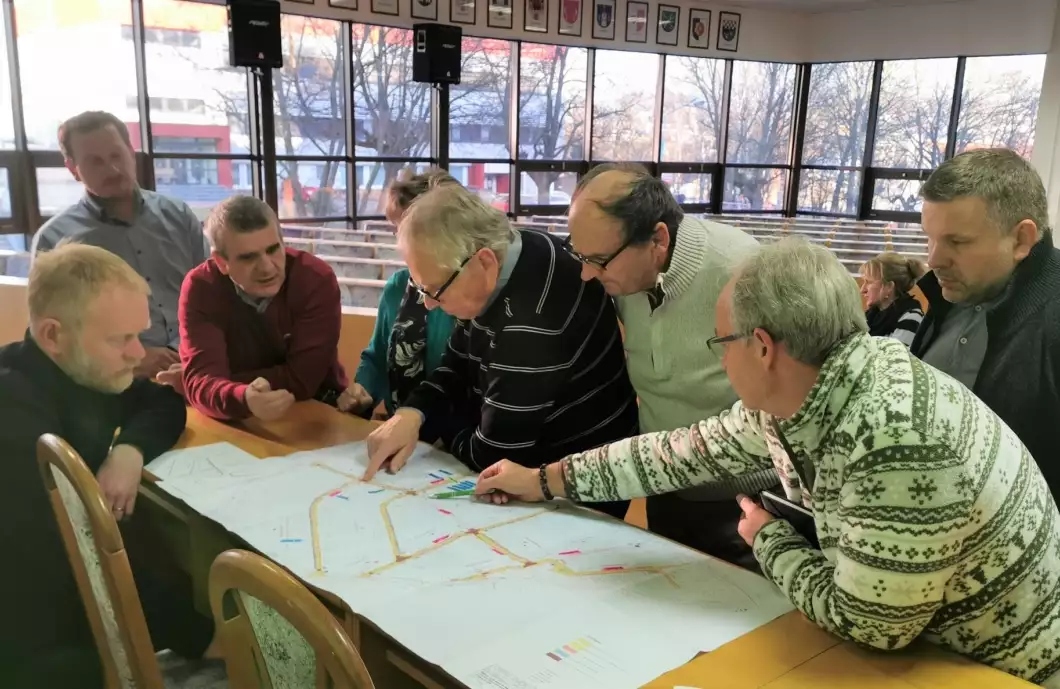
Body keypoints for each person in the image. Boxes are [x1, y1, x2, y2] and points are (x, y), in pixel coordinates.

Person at [476, 237, 1060, 688]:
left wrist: (769, 540)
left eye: (721, 342)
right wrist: (546, 479)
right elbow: (677, 453)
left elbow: (871, 626)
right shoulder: (821, 385)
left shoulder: (893, 439)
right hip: (937, 642)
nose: (721, 358)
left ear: (761, 346)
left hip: (999, 670)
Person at [0, 244, 215, 688]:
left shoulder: (78, 370)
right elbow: (83, 560)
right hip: (38, 650)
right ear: (53, 334)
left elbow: (159, 401)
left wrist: (129, 451)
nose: (139, 354)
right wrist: (202, 636)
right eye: (121, 340)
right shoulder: (13, 421)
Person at [363, 183, 638, 519]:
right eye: (422, 290)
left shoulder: (533, 323)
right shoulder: (506, 253)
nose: (430, 305)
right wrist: (413, 414)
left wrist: (435, 425)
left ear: (485, 262)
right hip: (536, 465)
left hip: (576, 488)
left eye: (435, 291)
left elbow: (490, 455)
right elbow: (457, 362)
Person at [565, 163, 774, 569]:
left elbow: (786, 399)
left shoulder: (742, 270)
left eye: (600, 261)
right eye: (581, 256)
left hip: (747, 506)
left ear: (658, 239)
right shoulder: (624, 272)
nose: (587, 274)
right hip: (665, 488)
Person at [911, 148, 1060, 499]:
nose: (933, 259)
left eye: (957, 242)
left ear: (1021, 239)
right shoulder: (952, 294)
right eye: (929, 238)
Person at [30, 111, 209, 380]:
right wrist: (134, 356)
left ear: (131, 151)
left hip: (199, 367)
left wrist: (193, 352)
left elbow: (212, 296)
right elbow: (56, 337)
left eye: (116, 156)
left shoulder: (179, 215)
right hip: (116, 384)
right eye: (95, 162)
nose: (112, 169)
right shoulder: (56, 240)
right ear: (73, 169)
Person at [174, 195, 351, 422]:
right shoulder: (201, 287)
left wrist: (216, 384)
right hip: (237, 419)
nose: (267, 267)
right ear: (221, 262)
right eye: (249, 258)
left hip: (320, 409)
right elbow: (201, 381)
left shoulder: (315, 279)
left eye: (273, 250)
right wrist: (241, 396)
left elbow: (303, 380)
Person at [348, 169, 457, 420]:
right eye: (397, 230)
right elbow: (376, 356)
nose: (400, 243)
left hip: (454, 436)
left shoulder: (467, 292)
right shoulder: (398, 285)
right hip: (399, 427)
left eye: (406, 230)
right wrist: (362, 391)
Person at [859, 252, 927, 347]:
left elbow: (892, 360)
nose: (862, 290)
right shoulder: (870, 316)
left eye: (869, 282)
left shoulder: (911, 317)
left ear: (889, 287)